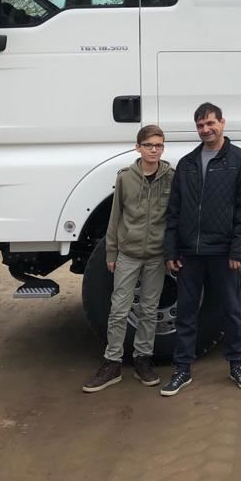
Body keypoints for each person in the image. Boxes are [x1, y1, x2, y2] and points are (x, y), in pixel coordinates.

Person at [161, 102, 241, 396]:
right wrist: (171, 251)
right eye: (200, 125)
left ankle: (237, 365)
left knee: (232, 311)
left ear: (222, 123)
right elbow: (174, 211)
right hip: (190, 254)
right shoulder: (187, 163)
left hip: (223, 253)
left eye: (210, 123)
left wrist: (237, 250)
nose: (206, 129)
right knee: (186, 314)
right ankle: (182, 369)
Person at [82, 125, 173, 393]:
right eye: (148, 145)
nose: (154, 150)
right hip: (128, 255)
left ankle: (142, 359)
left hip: (156, 256)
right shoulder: (125, 178)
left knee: (148, 310)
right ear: (138, 147)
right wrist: (112, 252)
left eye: (158, 145)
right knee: (119, 309)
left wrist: (172, 252)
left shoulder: (171, 178)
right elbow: (115, 218)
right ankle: (112, 362)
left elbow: (174, 219)